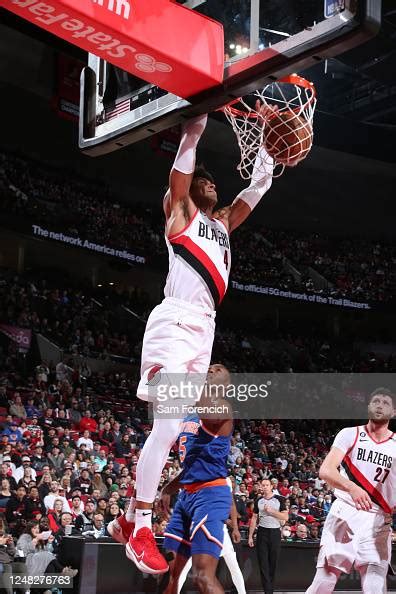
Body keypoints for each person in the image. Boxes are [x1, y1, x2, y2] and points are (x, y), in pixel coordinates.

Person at [118, 107, 276, 575]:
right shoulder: (182, 210)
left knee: (169, 426)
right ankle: (141, 524)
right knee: (167, 426)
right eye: (205, 181)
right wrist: (196, 124)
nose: (213, 186)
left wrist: (269, 150)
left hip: (204, 330)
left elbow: (257, 189)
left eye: (212, 184)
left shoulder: (222, 224)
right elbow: (182, 175)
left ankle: (129, 516)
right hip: (174, 320)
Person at [305, 388, 395, 594]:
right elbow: (326, 470)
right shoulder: (350, 434)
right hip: (345, 511)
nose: (380, 405)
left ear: (394, 412)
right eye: (376, 401)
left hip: (377, 519)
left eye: (385, 403)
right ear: (368, 406)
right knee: (324, 580)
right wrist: (352, 487)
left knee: (375, 585)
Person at [158, 364, 234, 593]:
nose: (212, 368)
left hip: (211, 495)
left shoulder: (222, 408)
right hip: (186, 496)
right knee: (168, 572)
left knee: (201, 577)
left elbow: (204, 408)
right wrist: (167, 489)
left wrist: (195, 372)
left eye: (218, 370)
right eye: (209, 367)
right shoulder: (189, 414)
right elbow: (193, 462)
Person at [176, 476, 246, 594]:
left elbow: (231, 505)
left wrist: (235, 528)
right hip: (201, 526)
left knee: (233, 565)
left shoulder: (226, 481)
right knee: (185, 565)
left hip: (219, 528)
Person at [248, 478, 288, 594]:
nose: (264, 487)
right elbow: (254, 518)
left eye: (267, 485)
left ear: (271, 486)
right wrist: (250, 536)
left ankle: (270, 589)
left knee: (273, 563)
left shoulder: (280, 499)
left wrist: (271, 512)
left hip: (275, 533)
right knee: (263, 564)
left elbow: (285, 517)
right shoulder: (258, 500)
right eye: (263, 485)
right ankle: (268, 592)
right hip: (262, 533)